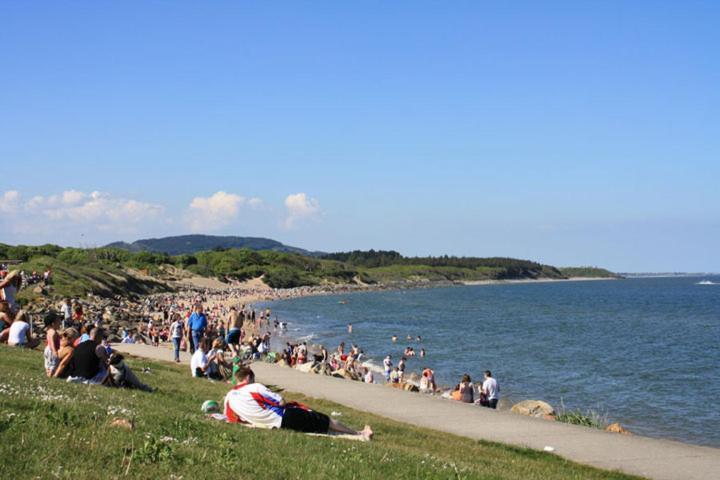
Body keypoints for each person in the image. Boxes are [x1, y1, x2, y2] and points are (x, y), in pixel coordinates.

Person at [223, 366, 373, 440]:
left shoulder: (229, 396)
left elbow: (231, 418)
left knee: (317, 423)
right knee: (325, 420)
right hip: (283, 418)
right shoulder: (254, 387)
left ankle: (356, 433)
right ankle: (359, 433)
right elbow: (281, 402)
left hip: (271, 423)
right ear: (249, 377)